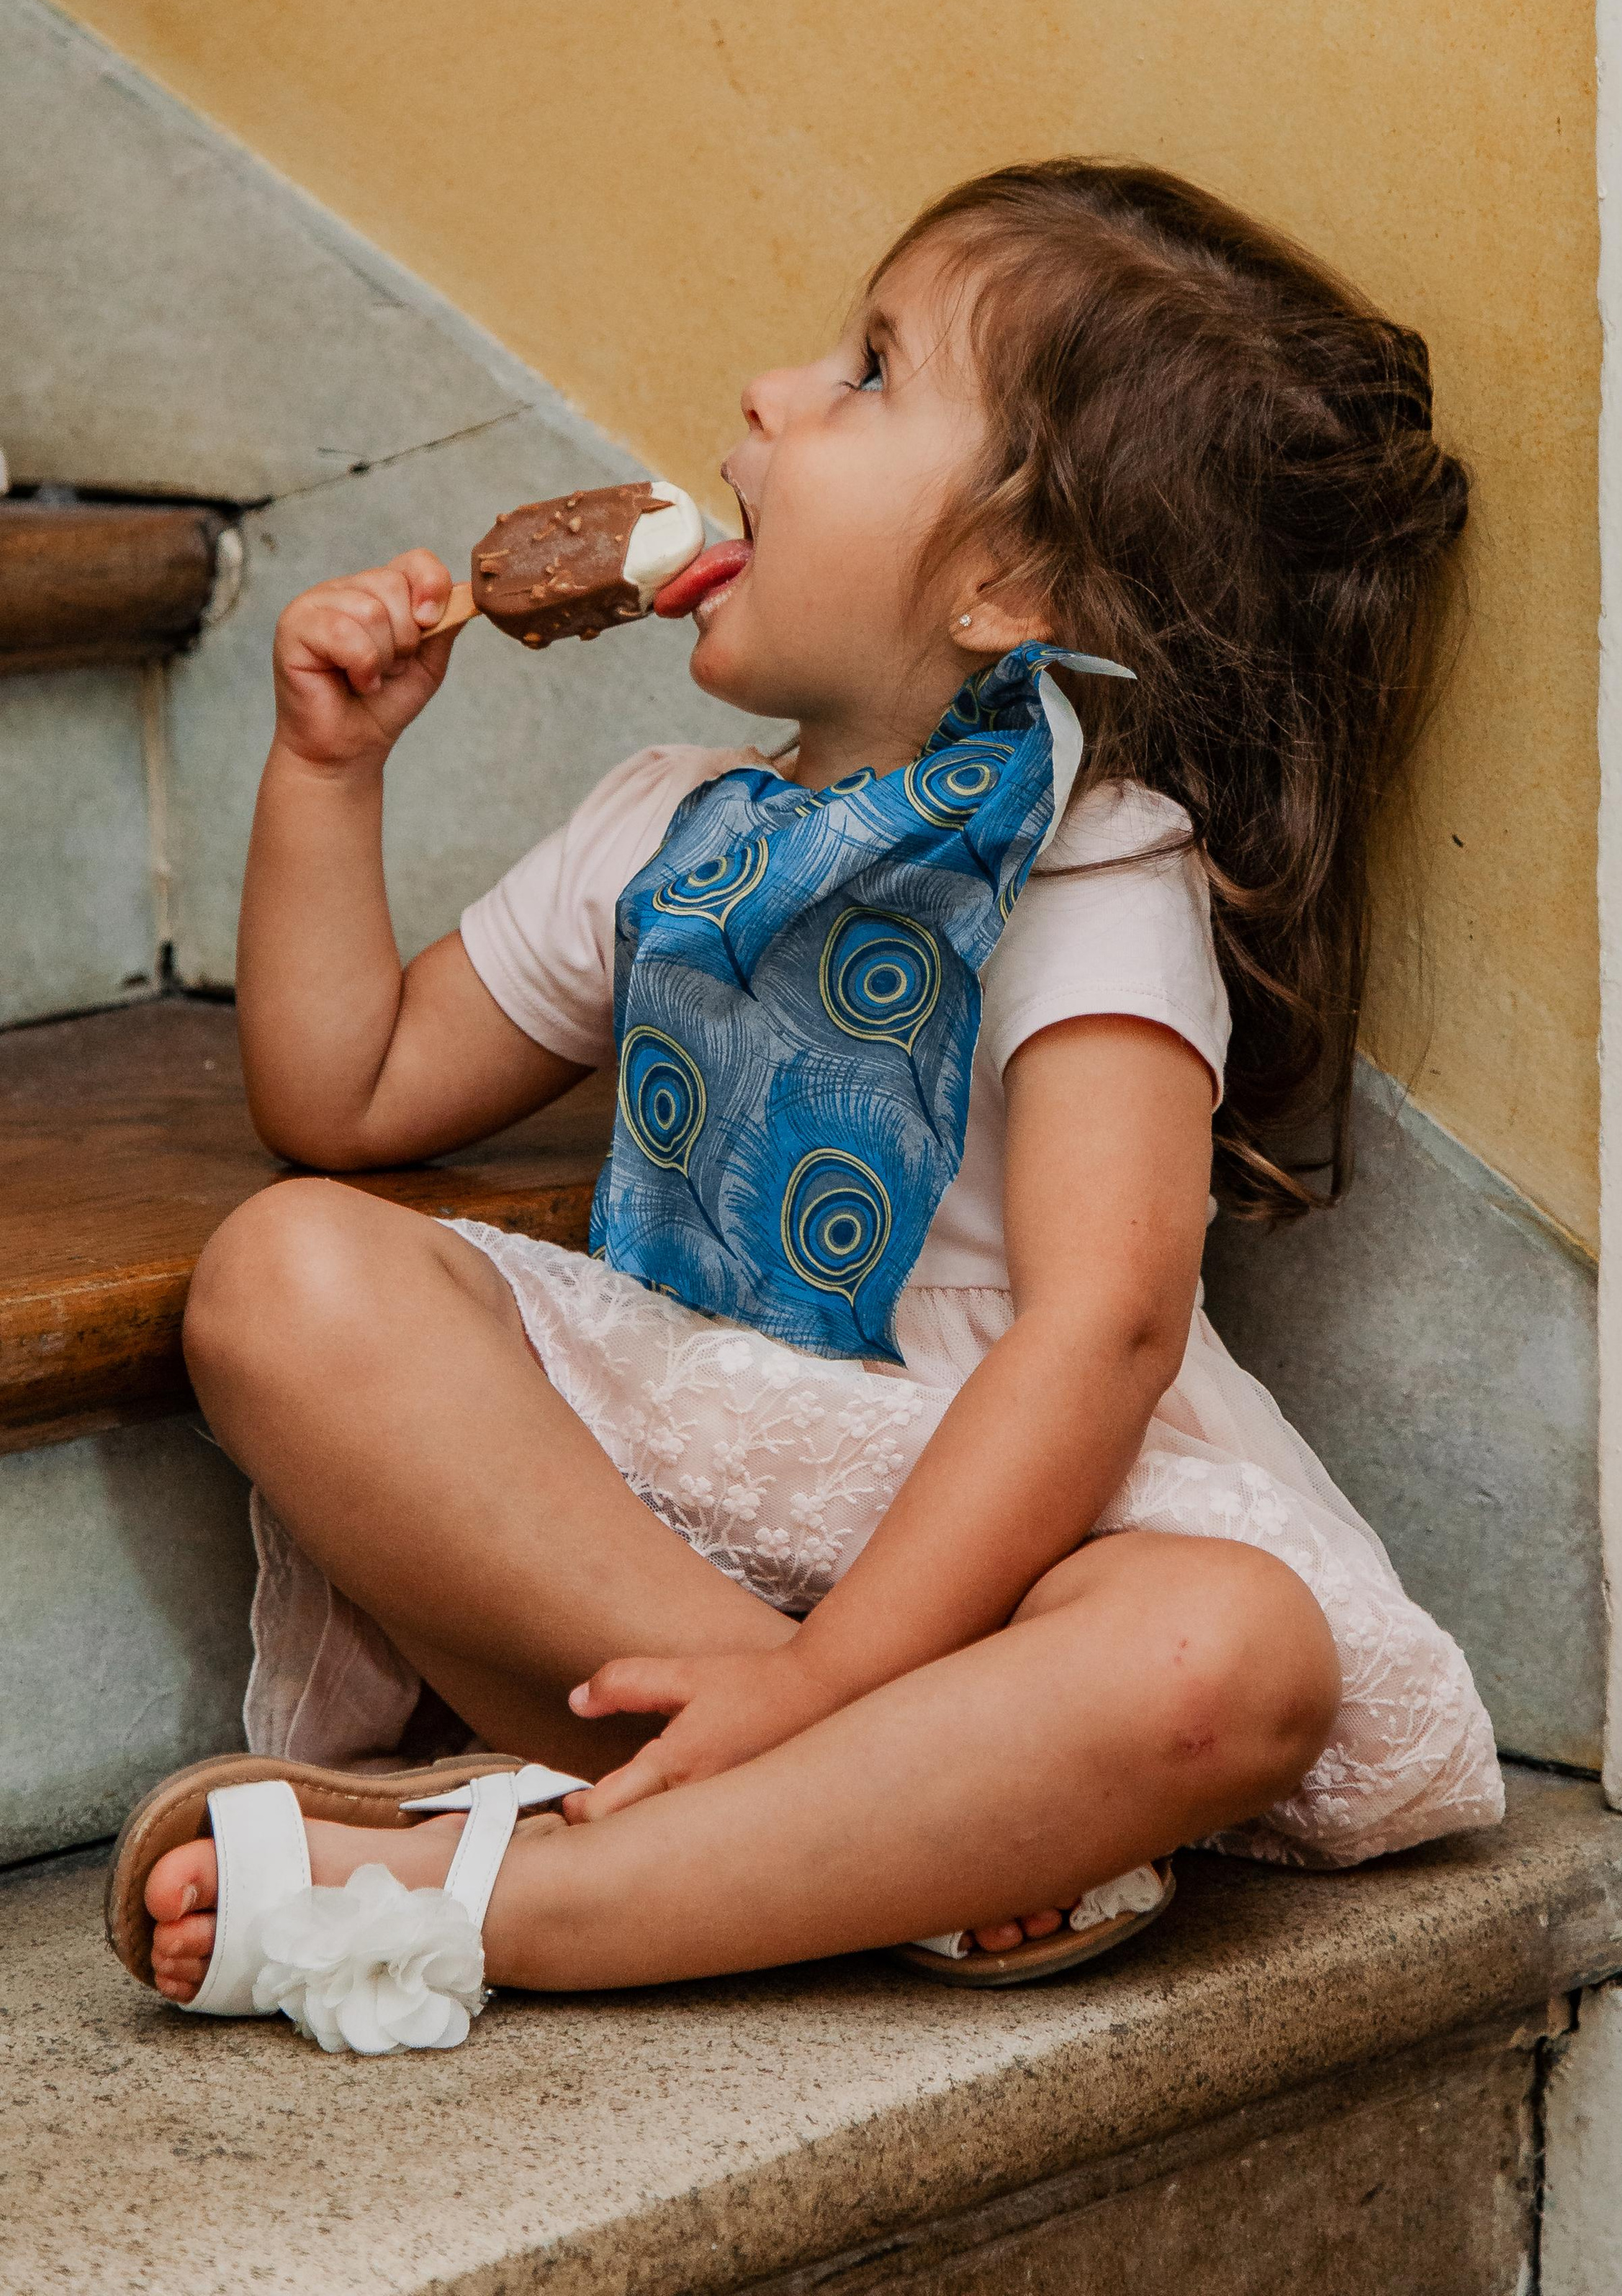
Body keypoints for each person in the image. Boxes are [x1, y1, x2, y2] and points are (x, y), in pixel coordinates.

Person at [125, 160, 1502, 2041]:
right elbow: (347, 1090)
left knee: (1231, 1658)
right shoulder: (667, 827)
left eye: (866, 372)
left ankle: (500, 1897)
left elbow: (1104, 1328)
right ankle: (896, 1825)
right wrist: (326, 774)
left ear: (1012, 581)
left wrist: (845, 1664)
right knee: (284, 1274)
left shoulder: (1092, 868)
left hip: (996, 1533)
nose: (770, 393)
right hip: (658, 1531)